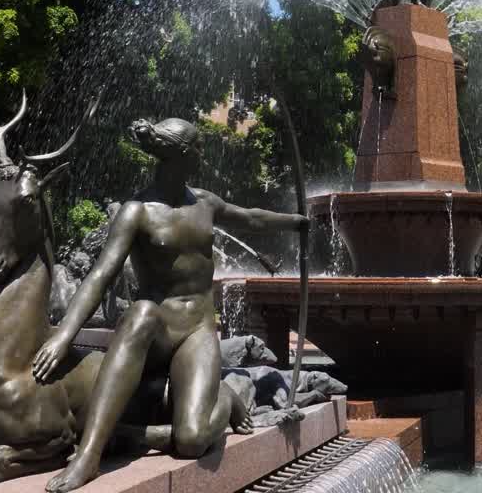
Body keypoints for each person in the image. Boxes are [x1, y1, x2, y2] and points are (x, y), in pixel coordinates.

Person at [33, 118, 308, 492]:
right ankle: (88, 455)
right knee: (141, 311)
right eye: (198, 148)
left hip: (196, 330)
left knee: (192, 441)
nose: (202, 154)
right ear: (183, 154)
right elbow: (99, 276)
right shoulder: (137, 211)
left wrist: (296, 222)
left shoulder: (206, 202)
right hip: (155, 329)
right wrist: (63, 336)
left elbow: (250, 218)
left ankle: (223, 399)